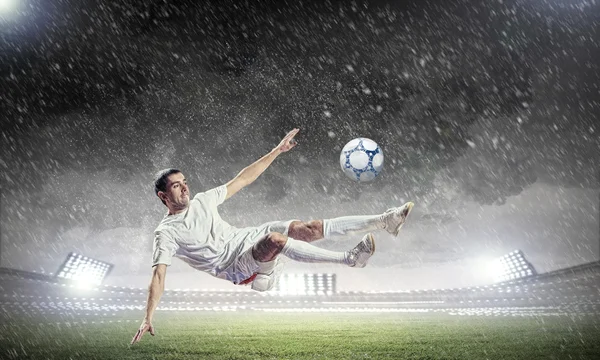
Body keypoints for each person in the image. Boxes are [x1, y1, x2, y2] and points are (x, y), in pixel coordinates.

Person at [131, 128, 414, 344]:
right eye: (176, 186)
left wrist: (277, 150)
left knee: (308, 229)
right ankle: (350, 259)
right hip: (234, 266)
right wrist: (148, 317)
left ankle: (385, 221)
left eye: (185, 183)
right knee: (275, 241)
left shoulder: (203, 200)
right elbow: (158, 276)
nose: (184, 189)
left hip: (247, 237)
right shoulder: (165, 232)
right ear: (163, 196)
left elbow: (242, 178)